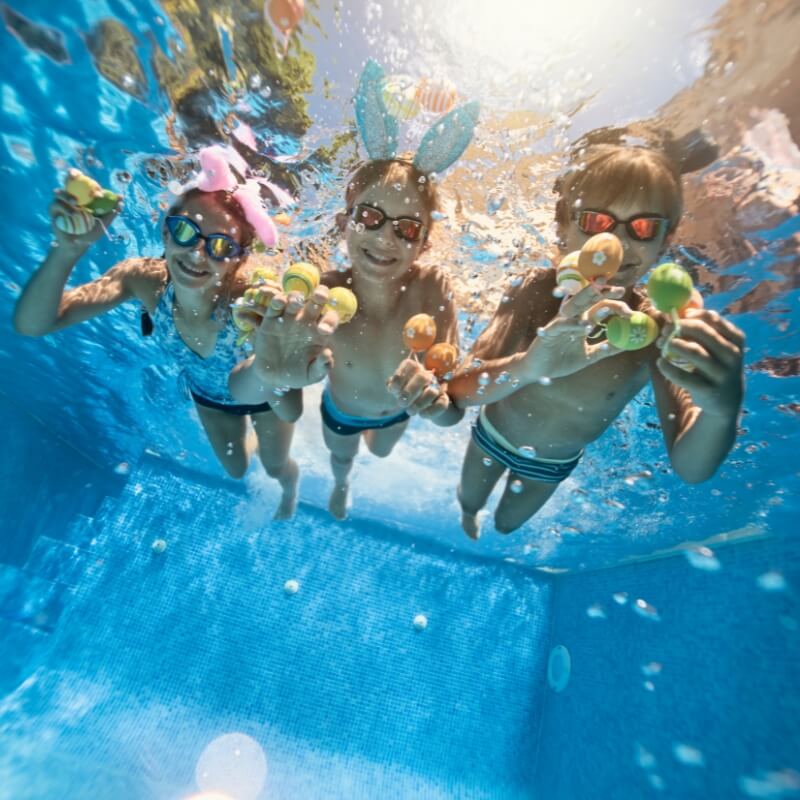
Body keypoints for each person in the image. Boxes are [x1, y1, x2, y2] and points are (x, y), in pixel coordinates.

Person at [448, 131, 746, 538]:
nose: (618, 242)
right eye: (596, 222)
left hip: (550, 465)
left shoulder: (657, 330)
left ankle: (490, 528)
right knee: (469, 501)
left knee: (506, 524)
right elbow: (459, 390)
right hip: (491, 435)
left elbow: (690, 467)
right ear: (563, 226)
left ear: (664, 243)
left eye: (642, 226)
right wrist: (530, 364)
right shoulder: (535, 291)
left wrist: (720, 411)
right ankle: (467, 516)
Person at [228, 60, 479, 519]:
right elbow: (242, 392)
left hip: (396, 414)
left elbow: (451, 413)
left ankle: (352, 472)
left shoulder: (434, 288)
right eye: (369, 218)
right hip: (340, 411)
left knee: (381, 453)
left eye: (406, 228)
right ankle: (341, 484)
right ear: (345, 222)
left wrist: (434, 402)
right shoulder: (321, 293)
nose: (385, 239)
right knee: (341, 457)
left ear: (424, 242)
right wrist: (268, 369)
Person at [14, 151, 301, 519]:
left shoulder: (250, 300)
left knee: (276, 466)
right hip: (208, 394)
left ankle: (289, 486)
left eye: (220, 246)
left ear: (239, 259)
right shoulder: (143, 280)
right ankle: (258, 443)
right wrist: (68, 250)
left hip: (264, 393)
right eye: (185, 231)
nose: (197, 255)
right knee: (237, 469)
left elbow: (288, 385)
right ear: (166, 229)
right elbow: (34, 324)